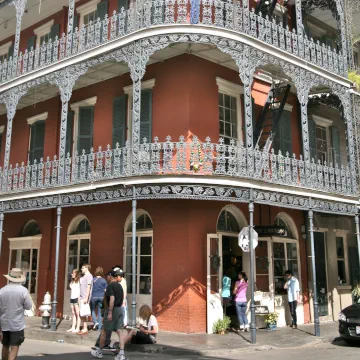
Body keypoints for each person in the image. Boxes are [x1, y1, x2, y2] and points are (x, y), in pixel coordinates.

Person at [91, 270, 127, 360]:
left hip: (113, 309)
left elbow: (112, 299)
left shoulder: (111, 285)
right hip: (119, 310)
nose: (106, 277)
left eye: (107, 275)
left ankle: (99, 351)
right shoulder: (119, 286)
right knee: (120, 331)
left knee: (104, 331)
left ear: (110, 276)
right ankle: (122, 354)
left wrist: (110, 312)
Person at [0, 268, 33, 360]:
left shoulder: (2, 290)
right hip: (17, 323)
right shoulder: (23, 291)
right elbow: (28, 306)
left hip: (4, 322)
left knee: (5, 345)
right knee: (14, 346)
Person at [78, 264, 93, 335]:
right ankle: (84, 328)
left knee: (83, 313)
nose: (81, 269)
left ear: (87, 268)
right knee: (81, 314)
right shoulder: (84, 276)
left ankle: (85, 328)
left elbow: (88, 287)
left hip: (84, 297)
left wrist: (86, 298)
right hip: (81, 297)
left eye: (83, 268)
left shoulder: (89, 276)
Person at [91, 267, 107, 331]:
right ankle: (100, 328)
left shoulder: (93, 279)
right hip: (101, 297)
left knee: (91, 309)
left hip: (94, 297)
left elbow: (90, 289)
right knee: (100, 312)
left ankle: (95, 322)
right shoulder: (104, 280)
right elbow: (105, 290)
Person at [67, 269, 81, 333]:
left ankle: (77, 327)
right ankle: (73, 327)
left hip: (76, 298)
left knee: (78, 313)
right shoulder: (72, 281)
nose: (72, 274)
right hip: (72, 298)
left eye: (73, 273)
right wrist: (72, 278)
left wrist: (79, 299)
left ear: (77, 274)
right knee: (73, 313)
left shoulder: (79, 281)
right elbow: (70, 286)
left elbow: (80, 290)